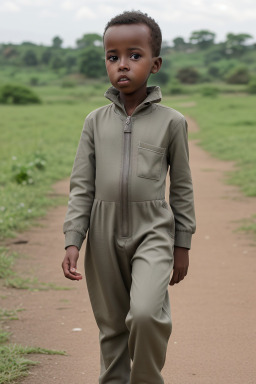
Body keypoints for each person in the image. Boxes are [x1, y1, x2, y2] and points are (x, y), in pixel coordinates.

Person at [62, 10, 196, 384]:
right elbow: (81, 185)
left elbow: (182, 187)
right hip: (102, 235)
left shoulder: (172, 122)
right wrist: (74, 239)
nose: (122, 65)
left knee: (145, 315)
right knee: (112, 327)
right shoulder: (95, 121)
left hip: (152, 230)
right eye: (112, 56)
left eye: (134, 55)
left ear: (155, 64)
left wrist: (182, 243)